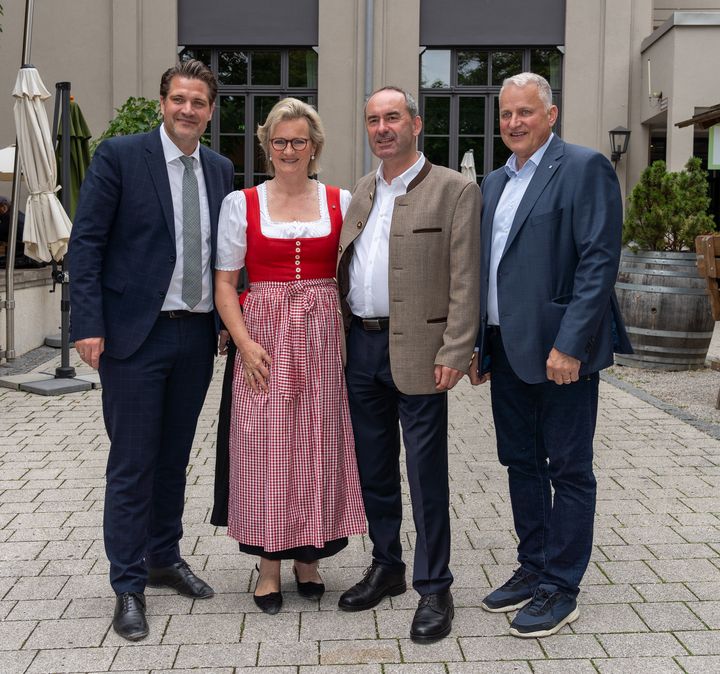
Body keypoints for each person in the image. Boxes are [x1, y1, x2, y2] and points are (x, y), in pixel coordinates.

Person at [68, 59, 234, 641]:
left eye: (199, 102)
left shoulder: (219, 168)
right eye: (179, 99)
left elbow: (221, 253)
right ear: (163, 102)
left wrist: (224, 323)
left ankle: (164, 556)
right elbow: (86, 242)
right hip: (134, 336)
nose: (188, 110)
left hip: (194, 335)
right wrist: (86, 323)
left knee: (173, 457)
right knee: (133, 462)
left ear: (211, 111)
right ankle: (127, 584)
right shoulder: (120, 157)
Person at [469, 72, 632, 638]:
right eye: (506, 114)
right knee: (520, 462)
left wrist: (572, 343)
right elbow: (483, 272)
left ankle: (562, 586)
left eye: (525, 112)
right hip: (505, 349)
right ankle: (532, 566)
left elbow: (598, 262)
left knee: (568, 468)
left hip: (559, 353)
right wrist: (475, 343)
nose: (514, 122)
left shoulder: (584, 168)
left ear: (551, 114)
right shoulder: (492, 183)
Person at [336, 86, 481, 643]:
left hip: (423, 354)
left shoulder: (454, 190)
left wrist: (456, 348)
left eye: (392, 117)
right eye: (373, 119)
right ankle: (386, 565)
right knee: (374, 469)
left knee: (425, 476)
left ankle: (435, 586)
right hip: (362, 351)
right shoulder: (363, 191)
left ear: (415, 124)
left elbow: (467, 277)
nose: (382, 128)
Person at [213, 97, 367, 615]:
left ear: (314, 147)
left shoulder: (341, 200)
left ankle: (310, 557)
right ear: (266, 146)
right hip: (264, 340)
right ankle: (269, 565)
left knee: (319, 443)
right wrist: (243, 341)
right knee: (264, 449)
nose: (288, 150)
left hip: (323, 339)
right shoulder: (243, 203)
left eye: (298, 141)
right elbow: (225, 284)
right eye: (279, 141)